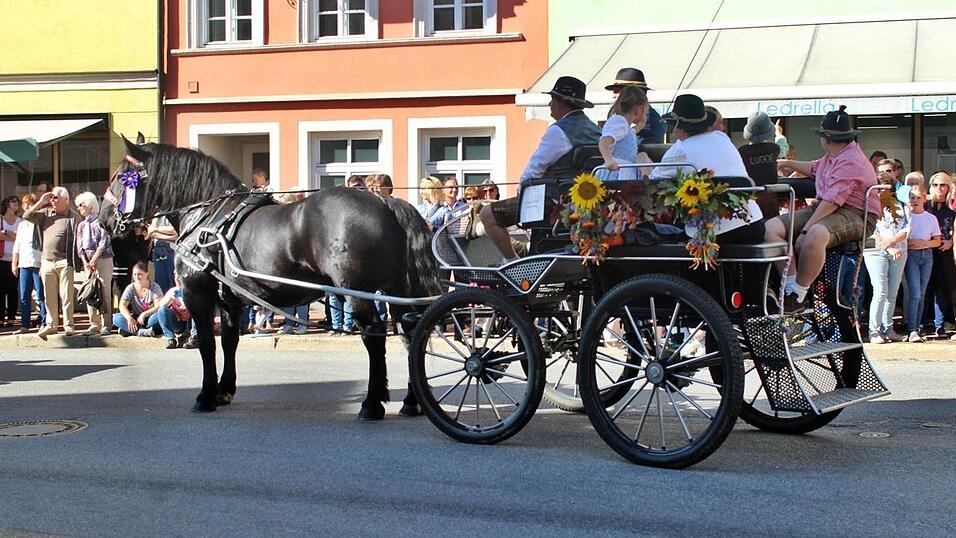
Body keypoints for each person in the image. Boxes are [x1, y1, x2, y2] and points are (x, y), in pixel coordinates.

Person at [766, 105, 880, 313]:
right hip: (829, 208)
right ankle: (789, 286)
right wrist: (787, 163)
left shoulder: (851, 161)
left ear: (825, 138)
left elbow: (832, 201)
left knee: (816, 233)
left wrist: (806, 230)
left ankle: (800, 294)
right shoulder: (834, 155)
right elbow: (814, 168)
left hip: (858, 214)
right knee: (771, 227)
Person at [479, 75, 601, 261]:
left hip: (552, 202)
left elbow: (533, 171)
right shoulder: (594, 130)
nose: (550, 104)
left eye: (553, 99)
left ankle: (512, 263)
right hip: (582, 203)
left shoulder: (558, 131)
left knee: (487, 214)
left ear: (562, 103)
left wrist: (522, 194)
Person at [650, 94, 765, 244]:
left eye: (672, 125)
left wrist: (643, 161)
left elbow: (652, 184)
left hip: (713, 233)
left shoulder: (680, 149)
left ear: (679, 125)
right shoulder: (722, 138)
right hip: (753, 223)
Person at [23, 186, 79, 339]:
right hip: (47, 261)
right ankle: (51, 325)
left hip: (65, 261)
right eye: (52, 198)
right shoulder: (45, 214)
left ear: (65, 200)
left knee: (66, 295)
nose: (52, 200)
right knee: (49, 296)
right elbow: (27, 216)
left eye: (56, 198)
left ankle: (68, 325)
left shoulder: (73, 216)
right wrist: (41, 201)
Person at [863, 184, 909, 344]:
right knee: (880, 290)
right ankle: (873, 331)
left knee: (892, 292)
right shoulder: (869, 201)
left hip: (899, 250)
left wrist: (893, 243)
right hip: (875, 251)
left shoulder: (902, 203)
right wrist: (888, 248)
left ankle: (888, 329)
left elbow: (907, 227)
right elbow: (870, 230)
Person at [902, 184, 941, 342]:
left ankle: (918, 326)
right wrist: (914, 243)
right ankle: (912, 328)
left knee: (922, 293)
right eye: (912, 197)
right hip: (911, 255)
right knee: (915, 293)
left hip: (927, 256)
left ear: (925, 199)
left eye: (919, 197)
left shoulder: (931, 218)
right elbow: (903, 238)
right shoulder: (906, 216)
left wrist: (924, 243)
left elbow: (937, 241)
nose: (915, 200)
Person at [75, 192, 114, 336]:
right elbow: (79, 246)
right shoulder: (81, 225)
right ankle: (94, 323)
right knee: (89, 291)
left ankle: (106, 324)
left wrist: (94, 260)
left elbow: (104, 242)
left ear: (90, 205)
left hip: (103, 259)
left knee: (104, 291)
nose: (79, 208)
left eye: (81, 205)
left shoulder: (101, 222)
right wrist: (86, 262)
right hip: (88, 262)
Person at [925, 172, 956, 339]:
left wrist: (951, 241)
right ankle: (921, 325)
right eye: (936, 185)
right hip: (926, 250)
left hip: (945, 251)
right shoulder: (925, 206)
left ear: (948, 188)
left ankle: (941, 324)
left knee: (943, 288)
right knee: (925, 288)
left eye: (942, 185)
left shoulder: (951, 209)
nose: (939, 188)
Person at [10, 193, 45, 334]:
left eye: (31, 204)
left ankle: (44, 322)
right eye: (26, 205)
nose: (28, 207)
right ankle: (24, 325)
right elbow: (17, 246)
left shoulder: (40, 222)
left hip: (38, 263)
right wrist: (14, 263)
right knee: (24, 296)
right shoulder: (22, 225)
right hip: (24, 263)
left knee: (41, 295)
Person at [738, 111, 783, 219]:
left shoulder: (742, 151)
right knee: (772, 222)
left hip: (749, 198)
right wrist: (779, 134)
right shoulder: (774, 148)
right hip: (770, 195)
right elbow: (783, 148)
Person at [604, 67, 666, 144]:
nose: (614, 95)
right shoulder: (619, 117)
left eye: (618, 91)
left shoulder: (651, 125)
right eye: (614, 91)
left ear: (634, 93)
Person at [598, 85, 648, 181]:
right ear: (640, 109)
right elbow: (604, 141)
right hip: (618, 172)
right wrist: (608, 160)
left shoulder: (625, 127)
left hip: (625, 172)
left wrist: (642, 119)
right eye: (645, 111)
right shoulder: (619, 122)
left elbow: (632, 132)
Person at [113, 261, 164, 337]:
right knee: (116, 318)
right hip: (136, 319)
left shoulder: (154, 287)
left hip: (149, 318)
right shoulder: (130, 287)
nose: (137, 277)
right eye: (135, 274)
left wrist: (144, 314)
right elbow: (122, 305)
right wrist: (129, 318)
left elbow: (158, 306)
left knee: (159, 316)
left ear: (147, 274)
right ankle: (142, 332)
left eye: (140, 274)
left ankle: (129, 330)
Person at [157, 274, 196, 348]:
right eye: (176, 277)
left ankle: (194, 337)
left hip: (192, 322)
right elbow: (161, 306)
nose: (178, 279)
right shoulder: (173, 291)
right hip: (179, 322)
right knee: (162, 310)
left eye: (180, 277)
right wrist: (168, 301)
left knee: (196, 308)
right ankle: (171, 339)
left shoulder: (192, 290)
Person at [0, 195, 22, 326]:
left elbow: (19, 237)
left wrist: (4, 233)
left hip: (14, 259)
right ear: (7, 204)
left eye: (17, 202)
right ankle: (1, 317)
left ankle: (11, 317)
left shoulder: (20, 221)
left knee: (13, 289)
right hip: (1, 258)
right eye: (13, 201)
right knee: (0, 289)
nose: (16, 204)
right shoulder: (1, 219)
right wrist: (10, 234)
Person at [147, 216, 178, 292]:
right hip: (157, 251)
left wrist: (156, 230)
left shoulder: (173, 214)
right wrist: (167, 235)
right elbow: (150, 232)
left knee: (173, 281)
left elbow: (175, 232)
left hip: (171, 250)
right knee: (161, 283)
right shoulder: (157, 215)